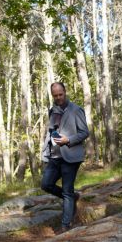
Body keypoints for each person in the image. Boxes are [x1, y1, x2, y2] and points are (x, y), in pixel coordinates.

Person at [40, 82, 89, 233]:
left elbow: (84, 132)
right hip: (55, 156)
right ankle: (72, 198)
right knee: (46, 184)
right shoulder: (52, 111)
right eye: (55, 95)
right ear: (52, 95)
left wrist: (69, 140)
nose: (58, 98)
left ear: (65, 92)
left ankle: (65, 225)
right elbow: (51, 131)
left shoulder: (76, 110)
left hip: (71, 156)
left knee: (67, 190)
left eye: (60, 94)